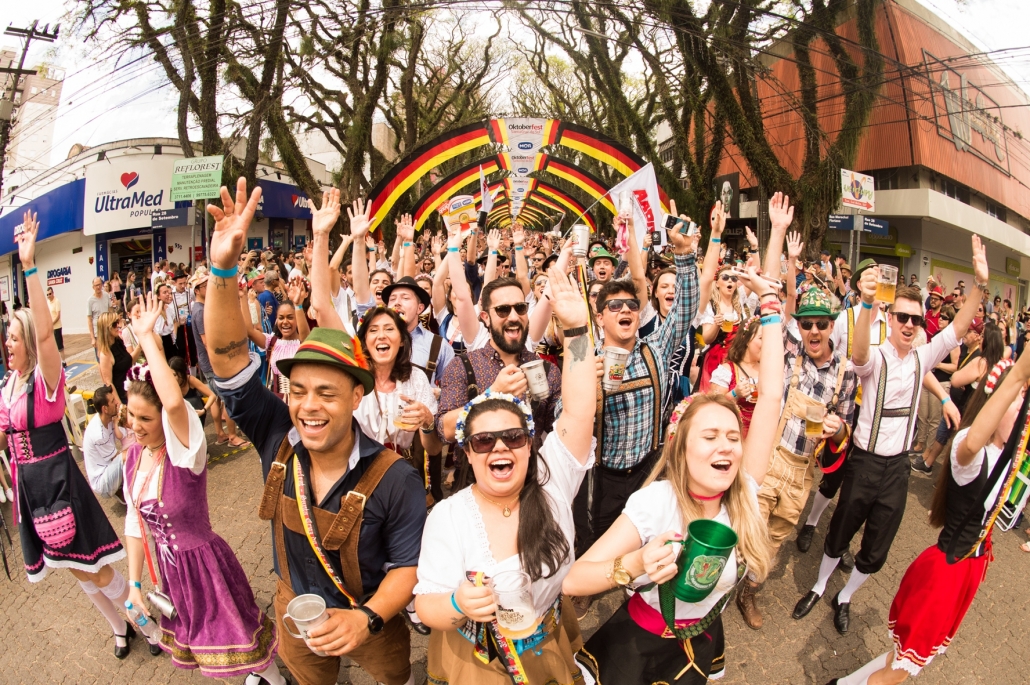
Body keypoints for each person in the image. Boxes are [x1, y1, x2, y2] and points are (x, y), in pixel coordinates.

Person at [205, 182, 426, 685]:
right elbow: (226, 356)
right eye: (298, 390)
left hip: (374, 619)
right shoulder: (274, 434)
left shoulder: (396, 478)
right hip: (294, 610)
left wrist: (367, 618)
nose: (308, 406)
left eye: (327, 393)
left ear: (356, 398)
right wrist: (222, 269)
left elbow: (408, 567)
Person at [561, 265, 784, 683]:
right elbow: (573, 579)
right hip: (638, 645)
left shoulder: (744, 494)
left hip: (703, 638)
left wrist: (770, 306)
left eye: (733, 437)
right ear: (680, 449)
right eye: (710, 436)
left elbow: (772, 395)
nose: (726, 446)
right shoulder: (656, 503)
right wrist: (634, 564)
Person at [793, 236, 988, 635]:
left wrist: (980, 284)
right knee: (840, 532)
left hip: (897, 469)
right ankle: (818, 586)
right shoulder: (878, 354)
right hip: (864, 461)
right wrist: (866, 305)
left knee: (877, 549)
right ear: (891, 317)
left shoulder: (924, 355)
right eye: (902, 317)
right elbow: (860, 354)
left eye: (916, 320)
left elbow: (958, 328)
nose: (910, 325)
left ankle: (843, 597)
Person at [413, 265, 597, 683]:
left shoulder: (551, 486)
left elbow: (579, 410)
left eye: (513, 436)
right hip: (478, 657)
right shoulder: (450, 516)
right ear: (469, 453)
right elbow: (427, 602)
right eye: (483, 441)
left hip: (545, 637)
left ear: (531, 444)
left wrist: (578, 331)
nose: (499, 445)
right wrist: (459, 605)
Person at [827, 354, 1030, 685]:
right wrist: (1019, 372)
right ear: (995, 402)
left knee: (903, 659)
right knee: (901, 670)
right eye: (1017, 398)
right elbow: (975, 439)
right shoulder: (969, 446)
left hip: (967, 573)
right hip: (946, 575)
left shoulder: (1007, 453)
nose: (1023, 412)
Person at [122, 292, 283, 681]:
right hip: (171, 573)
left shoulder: (184, 448)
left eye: (144, 418)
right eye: (130, 415)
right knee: (211, 654)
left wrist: (149, 342)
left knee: (239, 635)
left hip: (204, 565)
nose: (134, 426)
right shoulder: (133, 459)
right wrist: (133, 584)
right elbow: (134, 524)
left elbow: (176, 405)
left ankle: (274, 680)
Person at [1, 211, 132, 658]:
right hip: (31, 489)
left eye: (14, 337)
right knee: (72, 570)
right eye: (6, 338)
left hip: (59, 479)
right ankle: (119, 626)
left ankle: (144, 621)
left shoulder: (45, 379)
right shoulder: (7, 387)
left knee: (93, 567)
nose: (8, 343)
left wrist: (30, 265)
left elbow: (43, 332)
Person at [568, 211, 698, 618]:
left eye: (630, 304)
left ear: (637, 314)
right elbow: (563, 416)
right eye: (614, 304)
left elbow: (684, 312)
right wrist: (589, 388)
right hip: (602, 476)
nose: (624, 308)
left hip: (648, 468)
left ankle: (641, 590)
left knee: (648, 536)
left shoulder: (654, 348)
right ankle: (591, 583)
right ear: (601, 315)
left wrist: (686, 258)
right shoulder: (583, 354)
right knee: (597, 535)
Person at [353, 306, 441, 496]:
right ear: (365, 341)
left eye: (389, 329)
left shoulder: (416, 378)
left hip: (405, 476)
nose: (381, 335)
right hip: (359, 477)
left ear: (401, 340)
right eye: (373, 330)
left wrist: (427, 421)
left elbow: (433, 449)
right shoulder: (353, 380)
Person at [188, 270, 249, 448]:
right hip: (212, 364)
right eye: (206, 286)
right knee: (228, 399)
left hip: (207, 363)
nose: (210, 288)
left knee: (216, 398)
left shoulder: (200, 308)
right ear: (198, 290)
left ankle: (220, 433)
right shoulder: (200, 312)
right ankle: (232, 436)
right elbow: (207, 342)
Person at [238, 276, 310, 400]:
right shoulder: (272, 342)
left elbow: (306, 338)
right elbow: (249, 331)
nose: (285, 322)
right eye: (281, 318)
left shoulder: (303, 343)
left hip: (300, 401)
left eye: (290, 317)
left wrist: (298, 305)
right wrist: (243, 296)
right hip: (277, 403)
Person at [709, 316, 763, 435]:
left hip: (762, 435)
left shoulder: (768, 371)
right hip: (735, 434)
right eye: (761, 338)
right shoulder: (726, 370)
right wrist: (735, 393)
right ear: (746, 339)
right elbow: (714, 406)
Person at [82, 385, 132, 500]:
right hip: (102, 482)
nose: (116, 403)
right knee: (130, 453)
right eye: (112, 401)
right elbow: (116, 457)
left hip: (108, 468)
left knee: (130, 451)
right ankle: (123, 489)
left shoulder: (109, 419)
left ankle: (122, 487)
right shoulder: (99, 434)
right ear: (105, 409)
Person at [96, 312, 140, 404]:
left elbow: (128, 361)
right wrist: (120, 406)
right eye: (114, 324)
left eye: (118, 322)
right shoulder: (105, 353)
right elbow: (109, 383)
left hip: (131, 391)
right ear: (107, 328)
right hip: (122, 397)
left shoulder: (118, 342)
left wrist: (140, 346)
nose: (118, 326)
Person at [87, 276, 111, 353]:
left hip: (107, 330)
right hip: (98, 333)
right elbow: (89, 319)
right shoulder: (90, 300)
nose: (98, 287)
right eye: (96, 285)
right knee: (100, 356)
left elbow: (110, 311)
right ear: (93, 287)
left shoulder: (106, 295)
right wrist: (92, 338)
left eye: (99, 284)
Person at [46, 287, 63, 356]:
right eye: (47, 294)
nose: (48, 296)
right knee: (53, 346)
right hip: (51, 328)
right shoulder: (48, 302)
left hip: (57, 327)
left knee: (59, 346)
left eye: (50, 294)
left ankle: (63, 361)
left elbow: (58, 316)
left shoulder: (57, 301)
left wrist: (52, 323)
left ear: (53, 293)